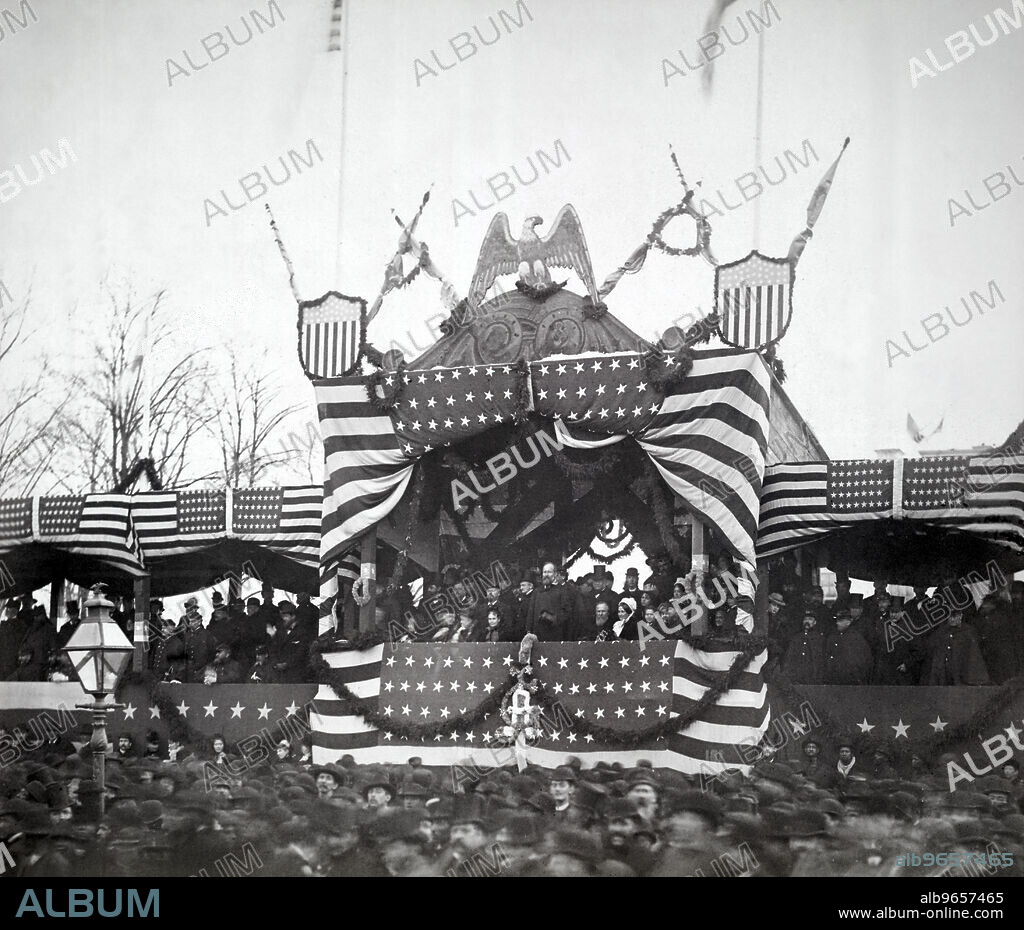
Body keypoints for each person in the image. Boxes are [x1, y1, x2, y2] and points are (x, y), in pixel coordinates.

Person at [922, 609, 990, 685]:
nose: (952, 619)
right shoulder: (941, 632)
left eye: (954, 616)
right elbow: (931, 647)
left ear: (960, 616)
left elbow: (974, 654)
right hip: (944, 674)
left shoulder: (969, 631)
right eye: (949, 616)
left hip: (964, 674)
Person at [872, 596, 924, 685]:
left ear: (903, 613)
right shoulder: (882, 626)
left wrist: (907, 664)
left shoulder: (910, 629)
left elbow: (919, 651)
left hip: (901, 672)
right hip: (884, 672)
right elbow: (876, 646)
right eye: (892, 612)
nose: (893, 615)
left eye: (897, 612)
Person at [975, 594, 1020, 683]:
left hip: (997, 649)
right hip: (1001, 649)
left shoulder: (994, 617)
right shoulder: (1004, 615)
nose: (983, 605)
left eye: (985, 604)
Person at [822, 607, 873, 685]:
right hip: (834, 678)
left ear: (849, 622)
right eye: (837, 620)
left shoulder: (856, 638)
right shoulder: (833, 636)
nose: (837, 623)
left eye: (841, 621)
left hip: (851, 680)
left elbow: (859, 661)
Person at [525, 562, 575, 641]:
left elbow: (567, 613)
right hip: (538, 635)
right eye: (544, 572)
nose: (546, 574)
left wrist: (553, 618)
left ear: (555, 574)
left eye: (549, 572)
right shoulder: (537, 592)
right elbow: (531, 613)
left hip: (555, 636)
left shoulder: (562, 591)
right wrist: (528, 630)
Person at [781, 608, 825, 684]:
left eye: (810, 619)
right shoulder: (796, 637)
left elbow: (820, 660)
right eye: (805, 619)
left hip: (811, 676)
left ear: (815, 622)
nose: (807, 621)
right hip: (796, 675)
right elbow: (789, 657)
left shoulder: (819, 639)